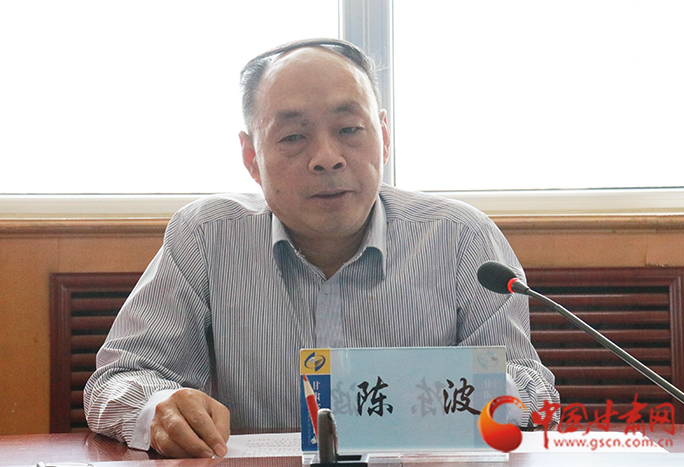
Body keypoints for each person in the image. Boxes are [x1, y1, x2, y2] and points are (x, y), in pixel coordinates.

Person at [84, 38, 559, 458]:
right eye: (293, 137)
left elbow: (534, 388)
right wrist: (160, 408)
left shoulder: (460, 237)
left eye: (349, 129)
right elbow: (119, 379)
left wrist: (459, 395)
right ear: (252, 157)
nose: (327, 158)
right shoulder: (206, 236)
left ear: (384, 136)